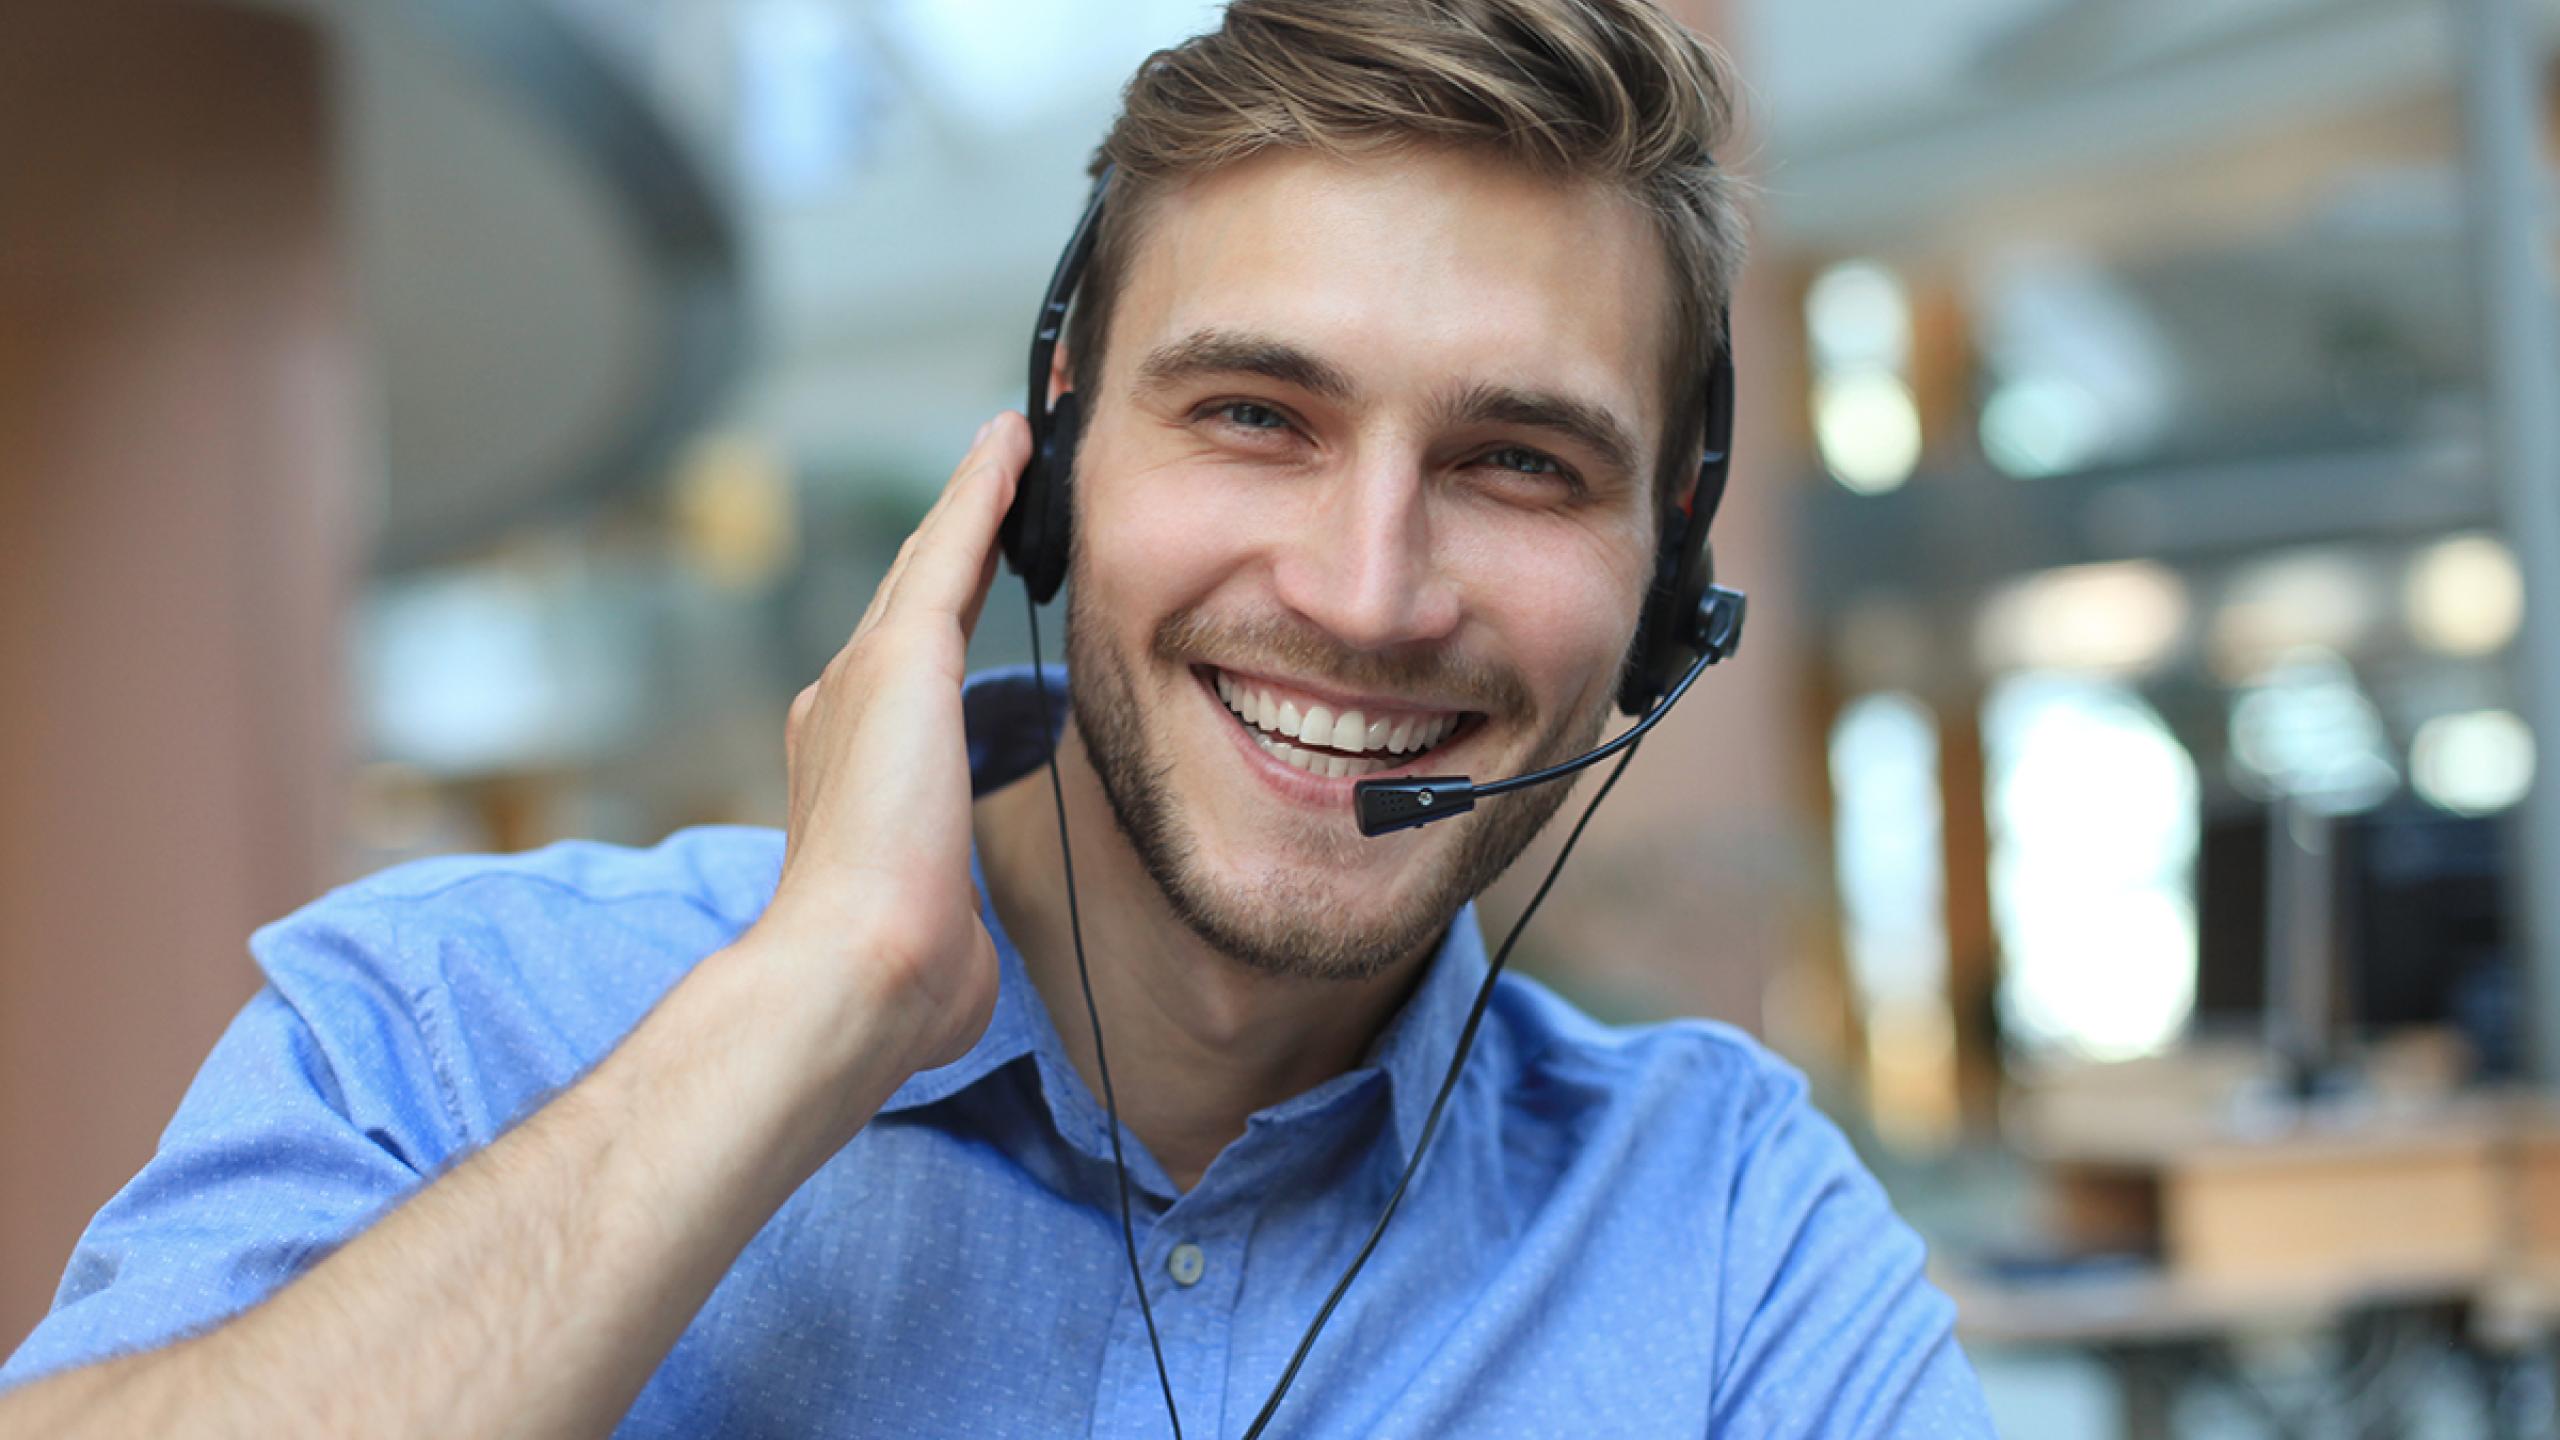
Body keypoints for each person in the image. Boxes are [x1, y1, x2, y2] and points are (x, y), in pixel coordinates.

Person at [0, 0, 1993, 1434]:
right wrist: (820, 997)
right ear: (1044, 477)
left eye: (1517, 462)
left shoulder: (1721, 1225)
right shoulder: (447, 1026)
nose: (1364, 589)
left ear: (1662, 593)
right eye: (1250, 416)